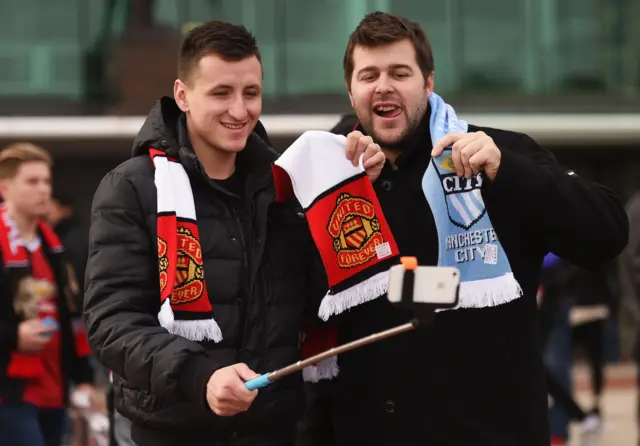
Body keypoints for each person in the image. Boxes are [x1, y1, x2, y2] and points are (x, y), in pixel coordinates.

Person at [298, 12, 628, 446]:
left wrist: (509, 172)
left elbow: (606, 233)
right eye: (369, 75)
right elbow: (297, 303)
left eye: (400, 73)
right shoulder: (328, 176)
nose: (383, 86)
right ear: (351, 90)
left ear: (428, 83)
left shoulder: (497, 153)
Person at [83, 20, 383, 446]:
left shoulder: (287, 185)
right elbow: (110, 321)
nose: (239, 111)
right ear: (183, 95)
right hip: (171, 430)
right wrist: (200, 377)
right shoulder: (131, 187)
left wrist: (356, 194)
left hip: (273, 429)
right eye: (221, 93)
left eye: (251, 93)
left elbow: (321, 301)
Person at [0, 142, 94, 446]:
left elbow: (71, 315)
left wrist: (84, 378)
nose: (43, 190)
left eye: (46, 181)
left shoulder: (53, 245)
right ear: (4, 187)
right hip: (11, 390)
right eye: (32, 181)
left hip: (54, 387)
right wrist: (14, 336)